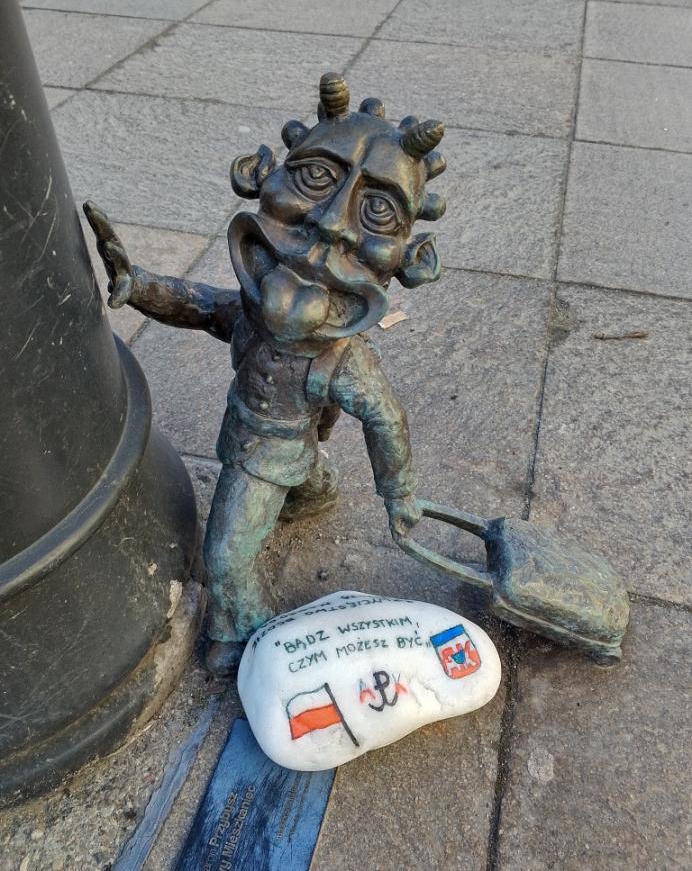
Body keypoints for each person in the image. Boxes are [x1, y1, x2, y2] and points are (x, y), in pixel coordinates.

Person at [84, 73, 447, 676]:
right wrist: (139, 285)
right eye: (316, 178)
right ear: (258, 176)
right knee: (297, 473)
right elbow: (202, 305)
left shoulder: (341, 360)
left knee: (226, 556)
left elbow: (386, 418)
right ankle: (313, 490)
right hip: (255, 438)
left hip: (266, 456)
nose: (332, 223)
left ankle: (244, 633)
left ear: (410, 260)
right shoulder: (253, 312)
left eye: (377, 211)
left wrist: (400, 493)